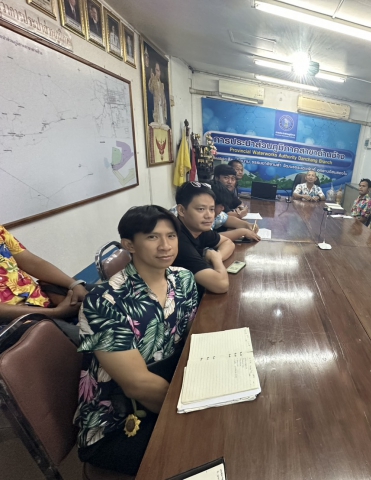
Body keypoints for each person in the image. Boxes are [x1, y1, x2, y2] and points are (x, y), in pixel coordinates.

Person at [75, 205, 198, 476]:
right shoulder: (104, 301)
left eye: (171, 236)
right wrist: (198, 414)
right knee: (208, 449)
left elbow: (192, 338)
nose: (165, 246)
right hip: (117, 422)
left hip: (170, 388)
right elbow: (137, 385)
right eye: (152, 237)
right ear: (129, 244)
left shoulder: (183, 279)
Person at [0, 225, 88, 340]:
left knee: (103, 299)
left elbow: (32, 263)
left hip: (41, 299)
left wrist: (74, 285)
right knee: (92, 340)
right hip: (14, 322)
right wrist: (56, 313)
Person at [172, 182, 234, 297]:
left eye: (211, 209)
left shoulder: (198, 229)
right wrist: (216, 260)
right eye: (201, 209)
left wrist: (217, 256)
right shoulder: (177, 241)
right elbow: (221, 285)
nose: (209, 215)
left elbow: (228, 242)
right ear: (181, 210)